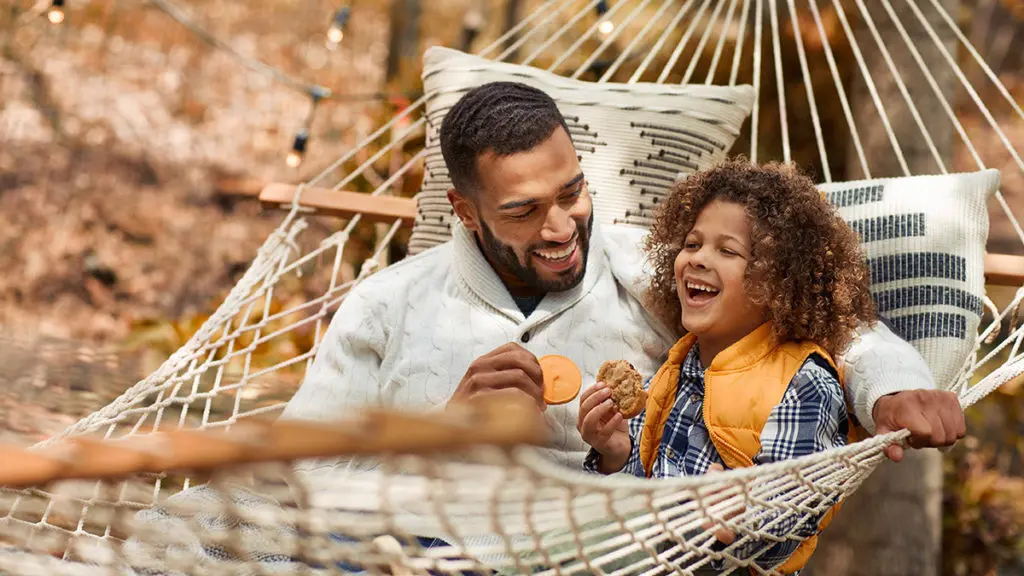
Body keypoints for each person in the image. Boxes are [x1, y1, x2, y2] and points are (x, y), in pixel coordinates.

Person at [281, 80, 965, 473]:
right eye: (522, 211)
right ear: (464, 211)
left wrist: (891, 388)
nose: (560, 227)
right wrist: (439, 430)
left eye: (571, 192)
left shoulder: (654, 270)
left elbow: (826, 325)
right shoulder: (386, 304)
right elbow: (291, 477)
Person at [577, 158, 876, 574]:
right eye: (692, 244)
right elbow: (642, 483)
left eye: (727, 250)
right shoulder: (676, 366)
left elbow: (789, 523)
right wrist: (616, 451)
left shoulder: (804, 382)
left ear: (777, 282)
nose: (697, 259)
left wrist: (738, 519)